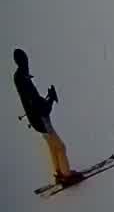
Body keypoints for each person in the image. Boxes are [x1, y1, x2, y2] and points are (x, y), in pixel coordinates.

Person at [14, 49, 84, 188]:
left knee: (52, 146)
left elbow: (34, 100)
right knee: (61, 147)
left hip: (35, 120)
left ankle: (59, 173)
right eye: (25, 61)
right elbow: (38, 105)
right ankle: (67, 175)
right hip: (41, 120)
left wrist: (48, 99)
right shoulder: (24, 80)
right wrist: (50, 99)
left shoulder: (19, 77)